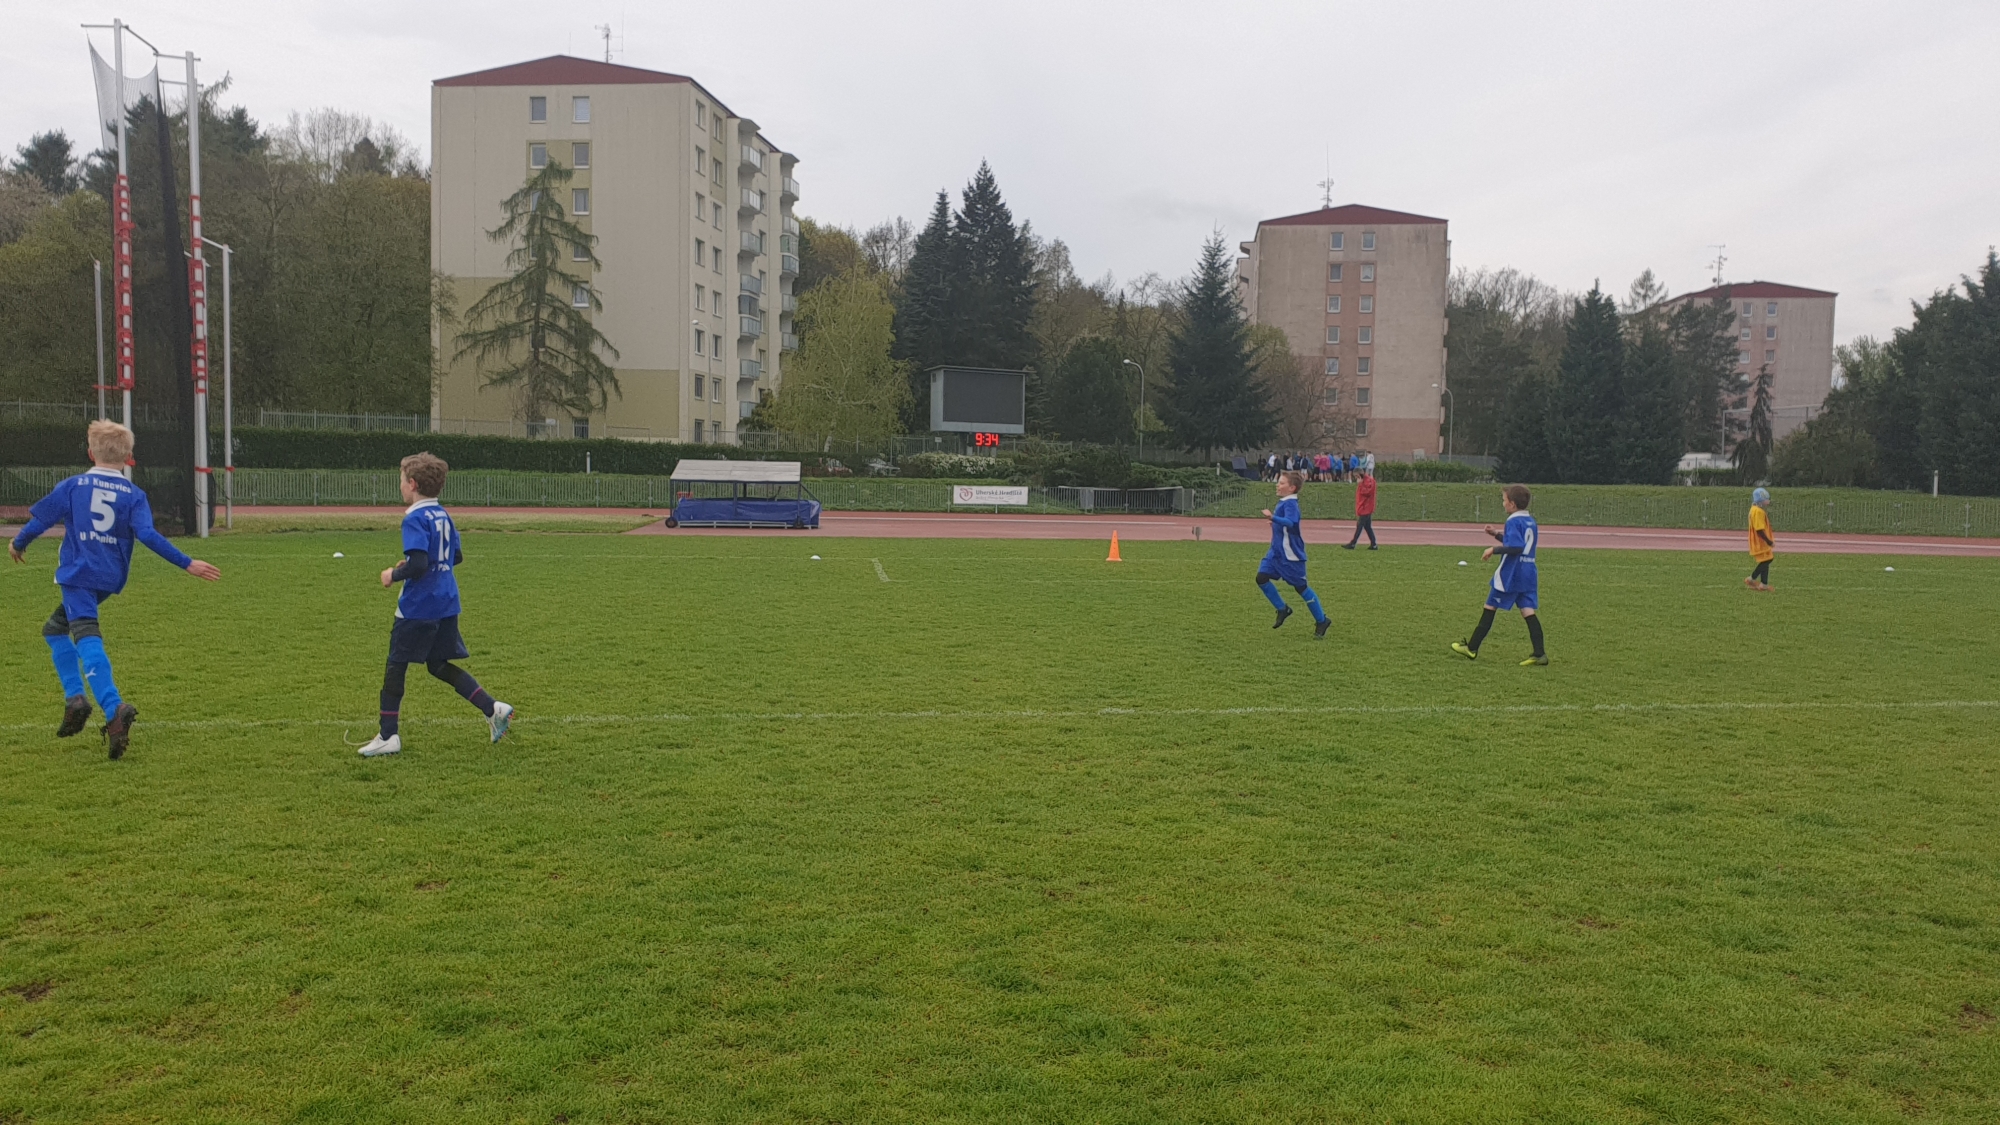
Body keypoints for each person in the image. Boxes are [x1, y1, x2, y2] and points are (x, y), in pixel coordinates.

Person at [8, 421, 222, 758]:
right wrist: (187, 563)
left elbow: (41, 521)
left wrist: (18, 543)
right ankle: (75, 699)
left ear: (90, 453)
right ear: (129, 457)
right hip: (109, 578)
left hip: (78, 574)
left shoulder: (73, 486)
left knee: (85, 634)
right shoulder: (134, 495)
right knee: (55, 629)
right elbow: (147, 534)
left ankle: (113, 707)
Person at [356, 452, 514, 758]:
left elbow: (418, 564)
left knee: (396, 665)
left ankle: (388, 736)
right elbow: (456, 557)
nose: (401, 486)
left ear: (413, 484)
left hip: (419, 605)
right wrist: (420, 564)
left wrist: (393, 574)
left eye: (402, 480)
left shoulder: (414, 518)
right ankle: (492, 708)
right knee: (437, 664)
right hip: (446, 601)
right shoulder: (443, 515)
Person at [1451, 483, 1547, 665]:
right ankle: (1539, 653)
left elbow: (1516, 547)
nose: (1503, 504)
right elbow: (1518, 543)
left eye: (1504, 500)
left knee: (1490, 606)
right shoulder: (1530, 521)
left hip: (1511, 574)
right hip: (1528, 572)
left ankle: (1471, 648)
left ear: (1512, 503)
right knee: (1527, 610)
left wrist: (1493, 549)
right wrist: (1496, 534)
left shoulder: (1513, 521)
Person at [1256, 470, 1331, 639]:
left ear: (1292, 488)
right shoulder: (1284, 502)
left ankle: (1322, 620)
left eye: (1282, 483)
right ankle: (1282, 609)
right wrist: (1275, 523)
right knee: (1261, 577)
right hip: (1276, 552)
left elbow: (1291, 522)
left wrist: (1273, 518)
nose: (1278, 485)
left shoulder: (1291, 504)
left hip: (1291, 555)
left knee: (1301, 588)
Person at [1745, 487, 1775, 591]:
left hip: (1758, 541)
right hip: (1760, 542)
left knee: (1766, 559)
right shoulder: (1758, 511)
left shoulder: (1754, 509)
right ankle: (1752, 578)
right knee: (1768, 559)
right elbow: (1759, 529)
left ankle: (1763, 584)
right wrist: (1768, 541)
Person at [1344, 467, 1378, 549]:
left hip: (1366, 507)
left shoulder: (1369, 481)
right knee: (1367, 527)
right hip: (1363, 507)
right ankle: (1374, 544)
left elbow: (1367, 492)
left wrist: (1361, 484)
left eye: (1356, 476)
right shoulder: (1364, 481)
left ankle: (1353, 543)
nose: (1356, 478)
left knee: (1360, 525)